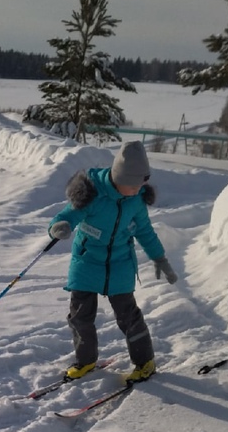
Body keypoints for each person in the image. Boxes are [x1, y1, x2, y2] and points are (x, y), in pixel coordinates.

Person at [47, 141, 178, 383]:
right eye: (131, 185)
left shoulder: (136, 199)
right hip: (86, 263)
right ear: (118, 177)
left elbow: (145, 231)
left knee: (129, 317)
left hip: (120, 264)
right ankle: (85, 361)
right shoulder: (92, 192)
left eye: (140, 184)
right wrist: (59, 226)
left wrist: (160, 258)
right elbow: (68, 214)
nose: (136, 189)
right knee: (80, 317)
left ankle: (145, 362)